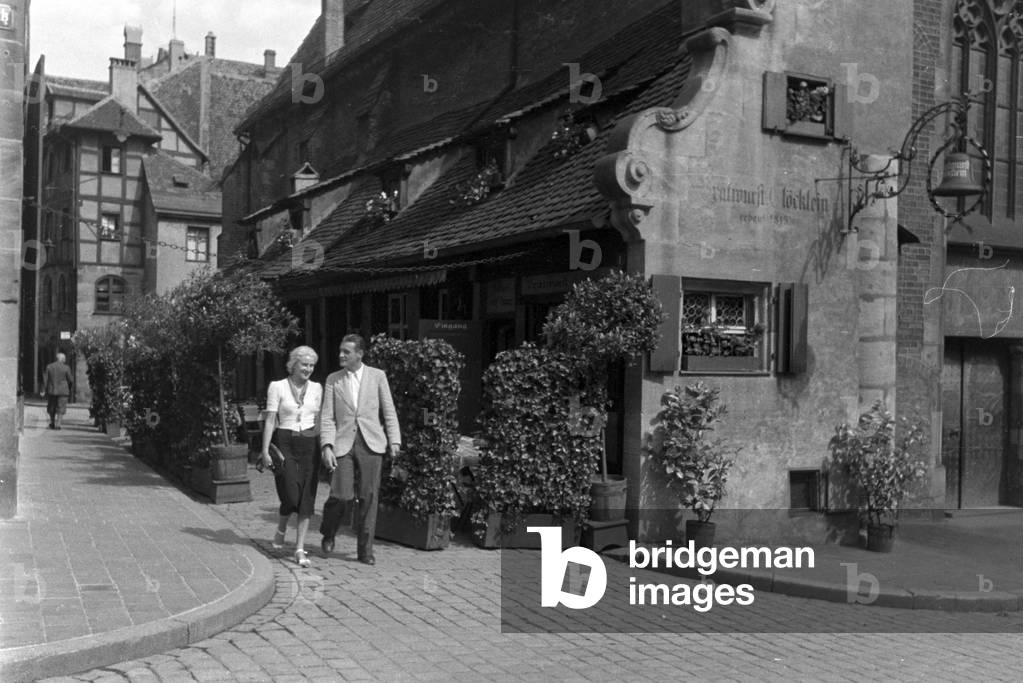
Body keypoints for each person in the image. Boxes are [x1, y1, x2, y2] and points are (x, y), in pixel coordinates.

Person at [319, 334, 401, 565]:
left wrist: (394, 441)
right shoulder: (333, 379)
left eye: (346, 351)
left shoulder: (377, 376)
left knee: (369, 496)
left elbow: (389, 411)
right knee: (341, 495)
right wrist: (327, 445)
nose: (341, 355)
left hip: (371, 442)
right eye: (340, 351)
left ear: (360, 354)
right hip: (343, 443)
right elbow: (327, 417)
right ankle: (328, 530)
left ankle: (365, 551)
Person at [259, 345, 323, 568]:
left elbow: (321, 419)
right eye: (304, 364)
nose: (308, 369)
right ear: (293, 364)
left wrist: (325, 447)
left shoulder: (317, 388)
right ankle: (281, 527)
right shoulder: (277, 387)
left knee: (306, 497)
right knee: (290, 493)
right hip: (284, 440)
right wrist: (265, 450)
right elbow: (270, 420)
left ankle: (299, 548)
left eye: (312, 365)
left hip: (309, 443)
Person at [43, 352, 74, 430]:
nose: (65, 360)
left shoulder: (49, 367)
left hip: (52, 390)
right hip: (63, 391)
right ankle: (58, 424)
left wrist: (43, 389)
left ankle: (52, 423)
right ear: (62, 359)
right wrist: (69, 388)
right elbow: (70, 380)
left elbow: (45, 380)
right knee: (61, 407)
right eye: (64, 359)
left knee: (51, 407)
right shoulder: (66, 368)